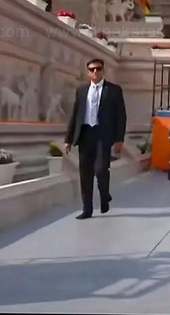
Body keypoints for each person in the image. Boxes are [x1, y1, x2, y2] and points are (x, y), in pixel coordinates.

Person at [64, 58, 127, 220]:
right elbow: (75, 115)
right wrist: (68, 139)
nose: (95, 72)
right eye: (91, 69)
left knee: (100, 169)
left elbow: (121, 116)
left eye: (98, 69)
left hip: (103, 135)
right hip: (85, 134)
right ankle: (87, 209)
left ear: (103, 71)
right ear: (88, 73)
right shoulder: (82, 91)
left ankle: (104, 196)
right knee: (85, 173)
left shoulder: (113, 90)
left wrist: (119, 139)